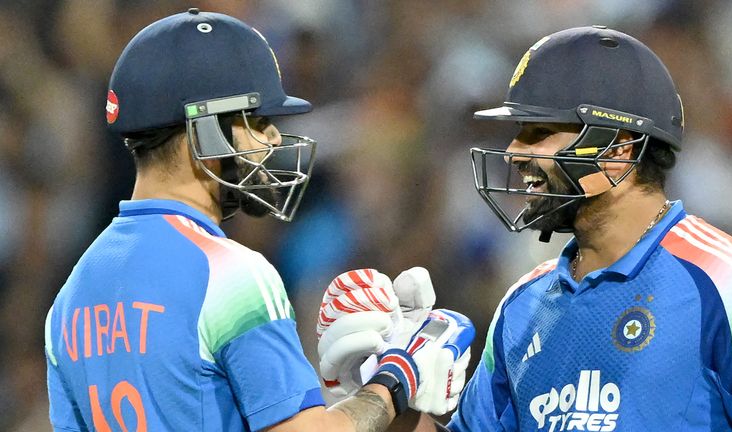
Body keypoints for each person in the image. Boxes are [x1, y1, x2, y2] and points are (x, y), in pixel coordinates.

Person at [316, 26, 732, 431]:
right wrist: (391, 394)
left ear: (617, 149)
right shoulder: (524, 304)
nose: (513, 153)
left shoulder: (726, 282)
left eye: (538, 132)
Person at [44, 9, 474, 432]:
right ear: (204, 132)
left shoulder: (69, 297)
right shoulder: (231, 273)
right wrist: (395, 377)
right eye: (260, 121)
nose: (273, 139)